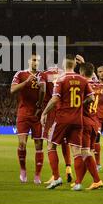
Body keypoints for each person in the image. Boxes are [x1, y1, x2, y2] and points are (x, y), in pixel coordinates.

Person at [40, 54, 95, 191]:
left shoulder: (61, 79)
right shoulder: (83, 80)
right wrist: (79, 105)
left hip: (62, 119)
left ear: (64, 65)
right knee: (77, 152)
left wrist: (44, 113)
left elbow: (54, 100)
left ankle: (57, 177)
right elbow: (92, 98)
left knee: (51, 146)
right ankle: (77, 183)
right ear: (75, 65)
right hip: (78, 120)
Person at [37, 51, 73, 184]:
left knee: (50, 144)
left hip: (51, 110)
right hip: (65, 111)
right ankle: (68, 168)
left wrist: (41, 108)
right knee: (64, 141)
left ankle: (55, 176)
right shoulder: (65, 74)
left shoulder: (44, 74)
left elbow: (42, 90)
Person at [11, 53, 44, 184]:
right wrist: (26, 82)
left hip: (38, 114)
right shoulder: (20, 74)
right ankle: (23, 170)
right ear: (29, 61)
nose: (36, 62)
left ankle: (37, 175)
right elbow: (12, 90)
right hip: (23, 112)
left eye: (38, 61)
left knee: (39, 144)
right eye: (34, 60)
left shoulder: (43, 75)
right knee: (22, 143)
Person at [77, 62, 103, 190]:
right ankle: (78, 181)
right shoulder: (98, 85)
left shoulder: (83, 86)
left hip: (85, 122)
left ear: (81, 73)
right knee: (87, 154)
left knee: (85, 153)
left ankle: (97, 180)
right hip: (95, 122)